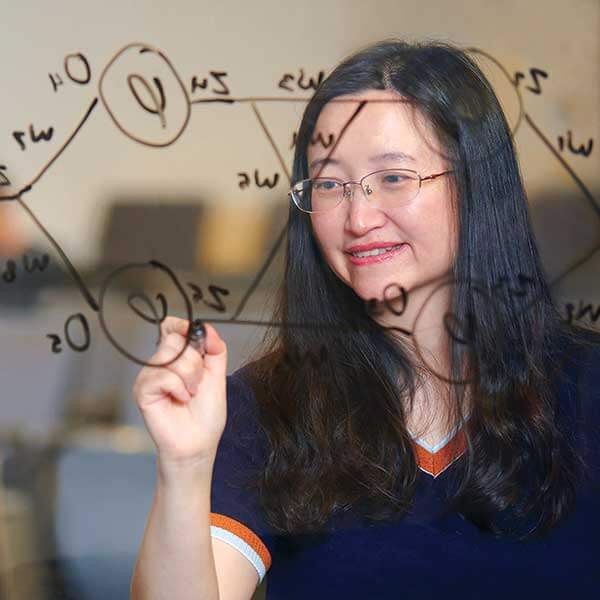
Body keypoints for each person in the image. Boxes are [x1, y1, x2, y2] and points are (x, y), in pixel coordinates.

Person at [129, 40, 600, 600]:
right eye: (329, 184)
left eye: (394, 178)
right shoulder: (268, 406)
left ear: (476, 186)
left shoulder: (587, 385)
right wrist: (184, 465)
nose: (357, 217)